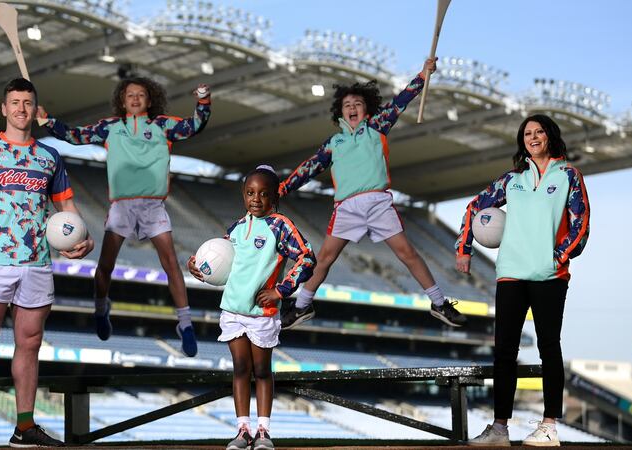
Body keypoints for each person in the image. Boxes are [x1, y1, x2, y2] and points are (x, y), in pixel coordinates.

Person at [0, 78, 94, 448]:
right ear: (4, 108)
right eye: (14, 102)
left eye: (27, 103)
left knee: (29, 343)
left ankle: (25, 427)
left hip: (36, 263)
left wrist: (84, 236)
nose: (21, 108)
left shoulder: (49, 158)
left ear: (35, 109)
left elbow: (66, 208)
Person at [277, 58, 466, 330]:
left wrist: (422, 75)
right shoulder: (334, 143)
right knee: (325, 259)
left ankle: (439, 303)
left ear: (367, 110)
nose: (352, 108)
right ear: (340, 112)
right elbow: (309, 168)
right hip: (346, 207)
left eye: (358, 104)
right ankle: (301, 307)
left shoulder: (377, 127)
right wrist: (283, 188)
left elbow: (402, 100)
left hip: (378, 202)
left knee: (407, 253)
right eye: (347, 105)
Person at [37, 77, 211, 356]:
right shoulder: (110, 128)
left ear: (150, 100)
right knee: (105, 264)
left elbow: (195, 125)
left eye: (140, 94)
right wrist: (48, 122)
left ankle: (185, 324)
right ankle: (100, 308)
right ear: (122, 100)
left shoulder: (163, 125)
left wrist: (203, 100)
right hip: (122, 206)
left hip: (153, 206)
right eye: (129, 94)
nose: (134, 98)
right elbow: (76, 135)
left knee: (170, 263)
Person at [457, 114, 590, 447]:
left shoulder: (568, 175)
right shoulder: (512, 179)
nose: (533, 137)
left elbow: (581, 222)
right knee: (504, 352)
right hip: (511, 273)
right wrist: (464, 247)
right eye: (527, 133)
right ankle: (499, 429)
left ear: (550, 136)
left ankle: (549, 427)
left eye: (538, 132)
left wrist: (557, 256)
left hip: (549, 274)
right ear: (523, 141)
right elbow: (475, 206)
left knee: (548, 348)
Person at [188, 165, 315, 450]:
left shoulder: (280, 225)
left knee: (262, 370)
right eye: (250, 192)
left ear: (274, 198)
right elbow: (218, 262)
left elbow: (307, 258)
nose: (256, 199)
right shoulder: (236, 228)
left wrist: (280, 291)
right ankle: (242, 430)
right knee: (240, 369)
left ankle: (263, 432)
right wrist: (199, 268)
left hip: (261, 314)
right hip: (232, 310)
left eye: (263, 194)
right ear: (244, 195)